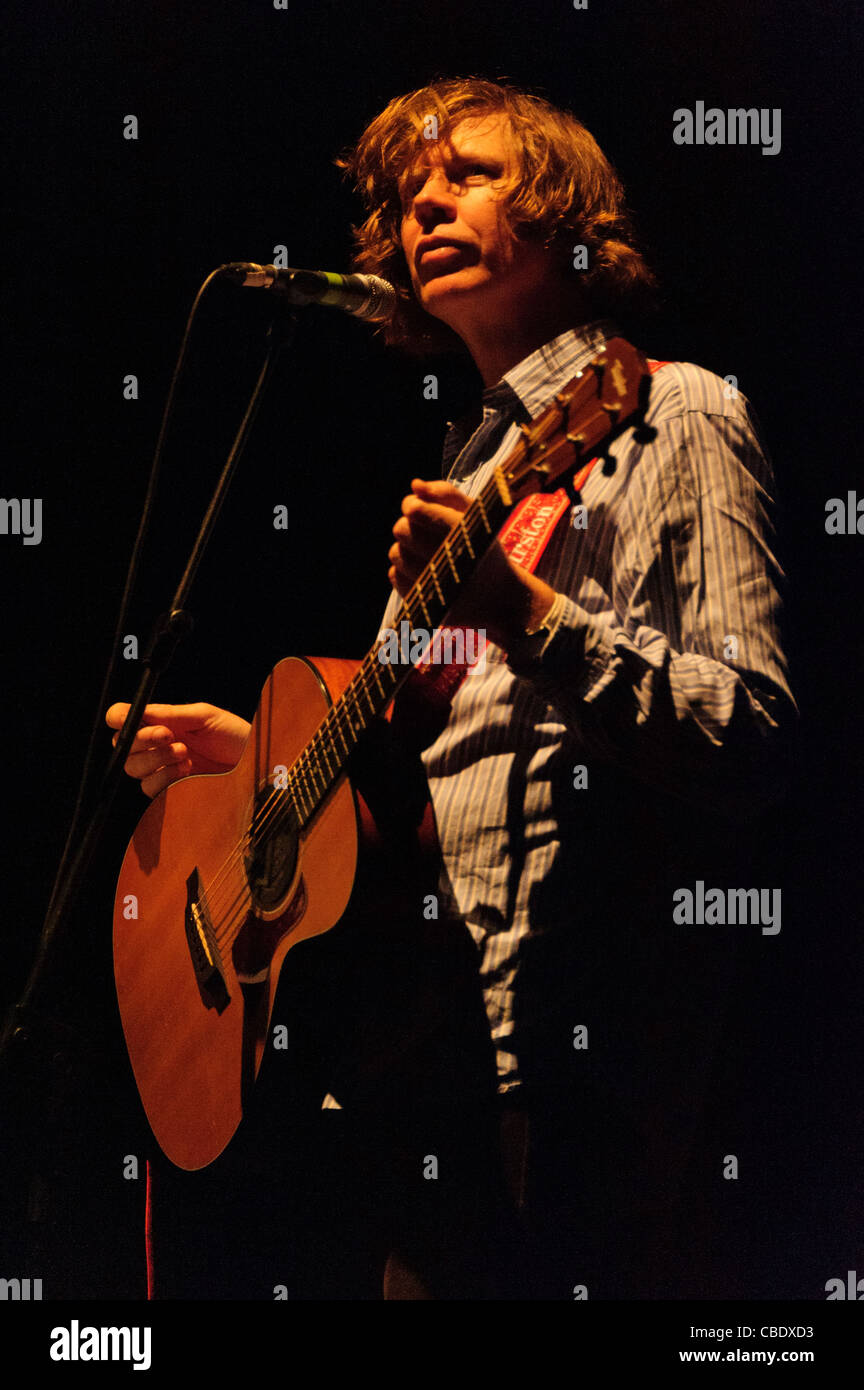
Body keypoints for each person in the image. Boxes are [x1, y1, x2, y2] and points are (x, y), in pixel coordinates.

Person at [106, 78, 797, 1299]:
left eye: (470, 173)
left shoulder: (672, 411)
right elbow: (416, 764)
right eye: (410, 191)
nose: (426, 198)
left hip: (571, 1071)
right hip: (414, 1058)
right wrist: (254, 766)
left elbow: (749, 732)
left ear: (563, 210)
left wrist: (524, 614)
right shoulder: (466, 472)